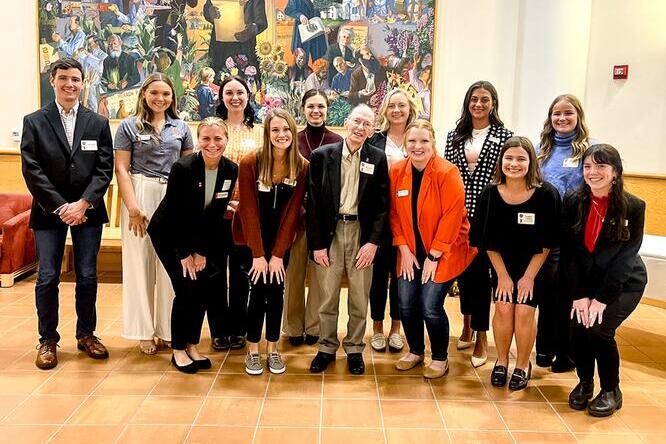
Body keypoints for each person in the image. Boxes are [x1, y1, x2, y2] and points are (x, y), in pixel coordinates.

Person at [21, 58, 114, 369]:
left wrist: (83, 203)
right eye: (64, 79)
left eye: (75, 79)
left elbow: (104, 168)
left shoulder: (97, 122)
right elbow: (32, 170)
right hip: (50, 212)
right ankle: (47, 339)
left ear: (82, 83)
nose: (70, 84)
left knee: (87, 275)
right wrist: (61, 206)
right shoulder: (34, 121)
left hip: (88, 211)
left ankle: (87, 334)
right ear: (53, 81)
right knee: (47, 276)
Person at [148, 117, 238, 373]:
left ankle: (192, 344)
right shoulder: (183, 168)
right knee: (187, 290)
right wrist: (186, 253)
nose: (212, 144)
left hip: (200, 238)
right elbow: (178, 215)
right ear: (198, 140)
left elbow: (214, 214)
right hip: (170, 235)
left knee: (203, 289)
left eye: (218, 138)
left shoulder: (230, 170)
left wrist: (202, 252)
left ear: (226, 140)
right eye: (206, 138)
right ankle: (178, 349)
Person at [562, 144, 646, 417]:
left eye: (600, 166)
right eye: (587, 166)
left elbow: (625, 258)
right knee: (577, 326)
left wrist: (601, 300)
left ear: (615, 173)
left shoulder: (633, 207)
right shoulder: (573, 200)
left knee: (599, 329)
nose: (592, 172)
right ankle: (585, 383)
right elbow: (570, 253)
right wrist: (580, 295)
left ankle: (611, 389)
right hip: (585, 282)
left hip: (624, 282)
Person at [471, 136, 560, 390]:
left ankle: (522, 364)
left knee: (523, 310)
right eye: (509, 158)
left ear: (531, 162)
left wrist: (528, 277)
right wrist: (503, 276)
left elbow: (547, 243)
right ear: (501, 161)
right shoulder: (490, 194)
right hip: (500, 263)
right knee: (502, 307)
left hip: (535, 264)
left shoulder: (547, 194)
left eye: (521, 158)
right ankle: (501, 361)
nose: (514, 164)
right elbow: (485, 240)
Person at [114, 73, 194, 355]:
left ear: (173, 98)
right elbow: (122, 169)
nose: (160, 98)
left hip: (172, 195)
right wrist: (133, 208)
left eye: (166, 94)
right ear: (144, 94)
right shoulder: (128, 126)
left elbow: (188, 170)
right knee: (140, 262)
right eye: (155, 93)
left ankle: (168, 328)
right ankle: (143, 330)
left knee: (170, 265)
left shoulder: (181, 127)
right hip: (140, 192)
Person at [307, 104, 390, 375]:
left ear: (372, 129)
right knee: (327, 294)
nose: (360, 128)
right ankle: (326, 347)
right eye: (356, 121)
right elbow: (314, 203)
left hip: (361, 234)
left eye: (367, 124)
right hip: (330, 233)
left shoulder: (377, 158)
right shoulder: (322, 156)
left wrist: (373, 242)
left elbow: (381, 205)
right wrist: (317, 244)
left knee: (359, 295)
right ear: (347, 121)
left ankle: (354, 348)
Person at [390, 120, 475, 378]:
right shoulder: (396, 171)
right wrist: (403, 248)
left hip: (445, 250)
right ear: (405, 144)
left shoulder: (447, 172)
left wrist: (434, 256)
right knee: (405, 302)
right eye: (412, 141)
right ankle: (416, 351)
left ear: (433, 143)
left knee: (429, 304)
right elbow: (393, 214)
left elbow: (453, 217)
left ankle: (439, 357)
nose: (418, 146)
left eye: (424, 141)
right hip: (409, 251)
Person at [233, 109, 308, 375]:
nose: (281, 135)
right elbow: (249, 210)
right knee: (257, 292)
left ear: (293, 132)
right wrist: (258, 254)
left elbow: (292, 212)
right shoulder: (251, 162)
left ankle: (273, 349)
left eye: (286, 130)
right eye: (275, 130)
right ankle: (253, 350)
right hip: (252, 240)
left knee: (276, 292)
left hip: (281, 240)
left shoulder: (302, 166)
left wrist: (277, 254)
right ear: (267, 133)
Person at [444, 80, 513, 368]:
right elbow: (448, 175)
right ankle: (467, 326)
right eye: (474, 99)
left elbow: (509, 176)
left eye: (485, 99)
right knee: (466, 276)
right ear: (467, 102)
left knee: (484, 279)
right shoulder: (455, 135)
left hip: (490, 217)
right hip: (460, 218)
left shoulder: (505, 136)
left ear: (493, 103)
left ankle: (483, 338)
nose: (479, 104)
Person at [535, 94, 595, 372]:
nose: (561, 118)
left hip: (575, 233)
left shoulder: (588, 151)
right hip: (545, 232)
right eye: (556, 113)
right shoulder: (540, 150)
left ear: (578, 116)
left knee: (567, 295)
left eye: (567, 113)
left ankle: (566, 354)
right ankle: (544, 349)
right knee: (545, 292)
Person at [283, 90, 342, 346]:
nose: (316, 111)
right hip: (296, 217)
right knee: (293, 274)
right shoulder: (293, 140)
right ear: (303, 109)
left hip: (326, 220)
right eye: (311, 107)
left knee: (321, 275)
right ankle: (293, 327)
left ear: (327, 109)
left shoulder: (337, 141)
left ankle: (315, 327)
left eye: (321, 106)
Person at [212, 76, 264, 351]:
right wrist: (223, 204)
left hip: (247, 213)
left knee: (243, 273)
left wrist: (245, 204)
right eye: (229, 92)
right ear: (221, 97)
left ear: (248, 96)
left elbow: (263, 170)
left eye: (240, 92)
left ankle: (239, 329)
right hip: (217, 214)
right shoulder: (214, 128)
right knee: (217, 273)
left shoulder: (258, 130)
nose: (235, 97)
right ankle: (219, 329)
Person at [366, 89, 418, 353]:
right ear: (385, 110)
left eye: (402, 106)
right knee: (378, 275)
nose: (397, 110)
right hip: (379, 217)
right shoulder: (375, 140)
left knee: (401, 275)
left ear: (410, 108)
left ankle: (396, 329)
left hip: (410, 218)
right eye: (392, 106)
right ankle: (376, 328)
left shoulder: (418, 138)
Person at [203, 0, 267, 85]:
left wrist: (252, 29)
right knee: (218, 83)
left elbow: (262, 22)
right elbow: (207, 8)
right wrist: (209, 12)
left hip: (244, 46)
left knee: (245, 84)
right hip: (220, 47)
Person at [285, 0, 328, 68]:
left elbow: (328, 10)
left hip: (318, 34)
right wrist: (300, 16)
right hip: (302, 34)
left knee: (320, 62)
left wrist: (327, 25)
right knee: (301, 62)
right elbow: (288, 10)